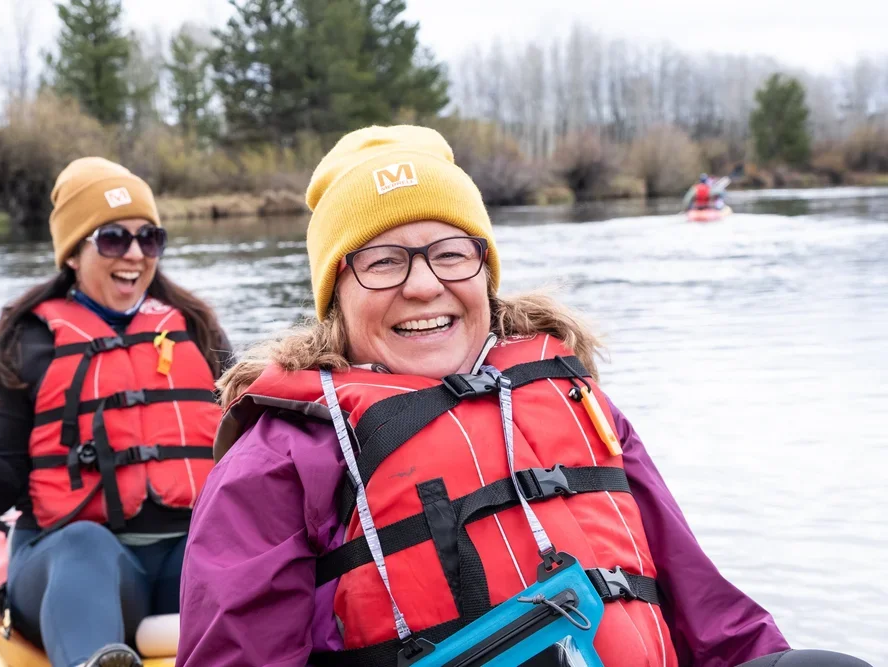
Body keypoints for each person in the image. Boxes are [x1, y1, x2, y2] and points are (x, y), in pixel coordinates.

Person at [176, 127, 871, 667]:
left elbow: (709, 614)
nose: (423, 285)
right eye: (382, 261)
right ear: (335, 294)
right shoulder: (278, 460)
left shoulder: (576, 403)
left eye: (450, 252)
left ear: (485, 271)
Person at [0, 158, 234, 667]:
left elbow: (242, 457)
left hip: (180, 565)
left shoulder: (196, 330)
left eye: (150, 238)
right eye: (114, 239)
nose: (135, 255)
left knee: (226, 544)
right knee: (83, 546)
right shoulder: (28, 343)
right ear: (73, 253)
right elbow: (5, 489)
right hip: (75, 569)